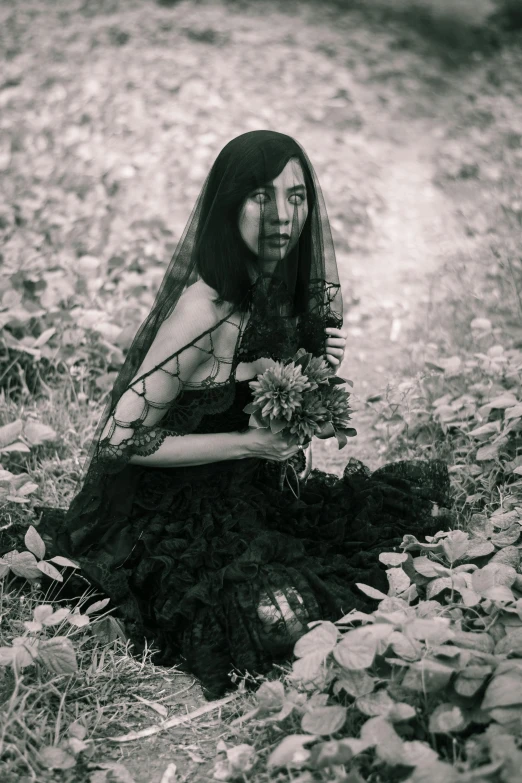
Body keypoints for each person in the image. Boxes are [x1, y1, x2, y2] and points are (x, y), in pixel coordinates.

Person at [37, 130, 454, 700]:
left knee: (386, 544)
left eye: (296, 195)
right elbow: (118, 442)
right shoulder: (200, 313)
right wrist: (248, 444)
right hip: (168, 512)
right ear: (228, 205)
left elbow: (306, 425)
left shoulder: (277, 291)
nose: (282, 214)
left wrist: (317, 376)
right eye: (261, 196)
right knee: (273, 617)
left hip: (251, 497)